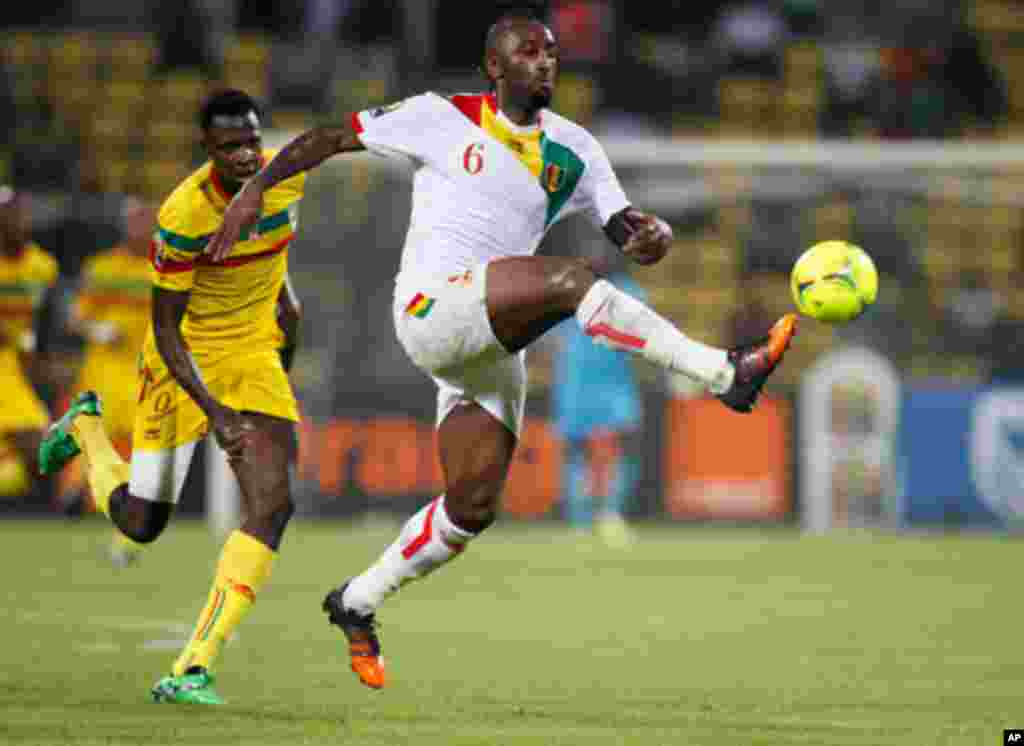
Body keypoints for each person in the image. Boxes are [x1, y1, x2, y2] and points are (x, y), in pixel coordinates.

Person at [206, 11, 797, 690]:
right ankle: (724, 372)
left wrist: (650, 237)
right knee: (573, 282)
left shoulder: (576, 149)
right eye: (528, 51)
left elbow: (626, 225)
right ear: (494, 67)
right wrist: (256, 189)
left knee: (471, 507)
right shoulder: (439, 115)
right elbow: (330, 137)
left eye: (551, 52)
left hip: (489, 336)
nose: (545, 61)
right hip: (431, 306)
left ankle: (357, 601)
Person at [38, 89, 306, 705]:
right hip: (181, 361)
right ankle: (85, 430)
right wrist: (216, 413)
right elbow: (165, 330)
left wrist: (286, 321)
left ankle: (194, 665)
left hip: (253, 353)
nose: (244, 155)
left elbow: (274, 264)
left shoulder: (286, 184)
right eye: (228, 145)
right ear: (207, 149)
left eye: (251, 141)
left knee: (273, 502)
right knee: (142, 521)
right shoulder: (183, 215)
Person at [61, 197, 156, 564]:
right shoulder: (102, 269)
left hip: (143, 377)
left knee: (140, 457)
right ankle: (76, 492)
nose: (141, 228)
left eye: (147, 220)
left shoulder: (162, 269)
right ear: (124, 225)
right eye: (135, 220)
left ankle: (124, 535)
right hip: (103, 374)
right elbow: (74, 318)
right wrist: (98, 330)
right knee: (96, 447)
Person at [551, 252, 644, 547]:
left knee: (589, 451)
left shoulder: (571, 292)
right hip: (596, 382)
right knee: (604, 450)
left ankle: (592, 519)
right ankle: (604, 517)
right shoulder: (630, 294)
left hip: (588, 382)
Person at [0, 185, 58, 501]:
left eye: (18, 213)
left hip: (14, 367)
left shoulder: (43, 267)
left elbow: (44, 326)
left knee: (40, 455)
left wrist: (41, 363)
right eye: (7, 214)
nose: (15, 220)